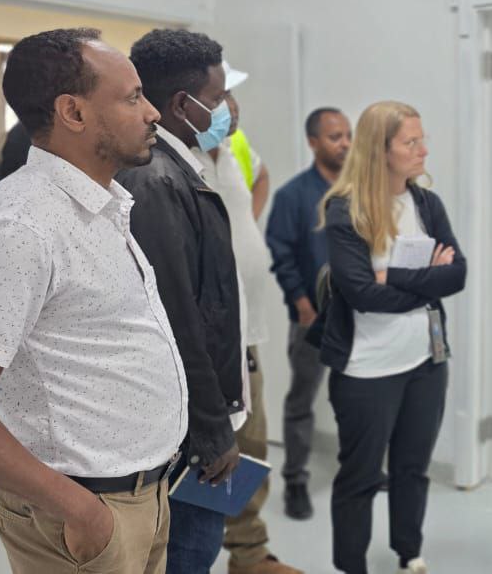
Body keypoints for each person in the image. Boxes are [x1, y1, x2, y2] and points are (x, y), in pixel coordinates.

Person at [0, 28, 183, 573]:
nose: (153, 112)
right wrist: (83, 513)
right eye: (133, 98)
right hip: (86, 513)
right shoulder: (18, 227)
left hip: (143, 495)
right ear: (72, 112)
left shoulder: (100, 206)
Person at [317, 100, 466, 574]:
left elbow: (457, 274)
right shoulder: (345, 210)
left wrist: (390, 276)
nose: (424, 150)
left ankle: (409, 553)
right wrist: (424, 281)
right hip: (367, 370)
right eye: (411, 142)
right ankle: (351, 566)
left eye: (422, 140)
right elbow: (361, 294)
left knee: (412, 470)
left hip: (426, 362)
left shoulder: (427, 204)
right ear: (380, 150)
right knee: (360, 478)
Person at [116, 28, 245, 574]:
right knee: (189, 551)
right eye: (217, 98)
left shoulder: (180, 164)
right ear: (182, 104)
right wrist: (211, 427)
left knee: (196, 546)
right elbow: (177, 317)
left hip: (200, 407)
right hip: (188, 423)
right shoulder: (155, 180)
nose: (227, 108)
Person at [189, 60, 301, 574]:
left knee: (250, 446)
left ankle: (249, 553)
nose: (231, 107)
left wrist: (245, 228)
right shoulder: (173, 160)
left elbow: (263, 175)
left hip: (246, 332)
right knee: (208, 454)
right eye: (220, 97)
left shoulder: (233, 145)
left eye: (231, 96)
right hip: (207, 339)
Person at [266, 106, 352, 520]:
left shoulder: (357, 191)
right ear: (314, 142)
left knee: (357, 397)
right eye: (335, 137)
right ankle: (296, 480)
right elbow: (281, 254)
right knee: (302, 399)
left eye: (348, 135)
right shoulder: (293, 196)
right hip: (312, 318)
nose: (345, 143)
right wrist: (301, 303)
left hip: (358, 315)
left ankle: (360, 468)